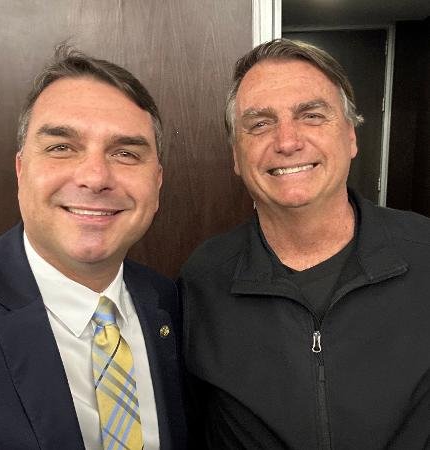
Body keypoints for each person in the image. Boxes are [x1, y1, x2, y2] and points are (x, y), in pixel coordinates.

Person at [179, 39, 430, 449]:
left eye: (311, 116)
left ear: (350, 136)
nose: (287, 141)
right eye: (259, 124)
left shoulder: (425, 253)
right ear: (237, 157)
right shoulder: (202, 280)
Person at [0, 45, 186, 450]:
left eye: (125, 153)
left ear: (157, 182)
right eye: (61, 147)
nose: (95, 177)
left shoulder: (169, 301)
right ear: (21, 169)